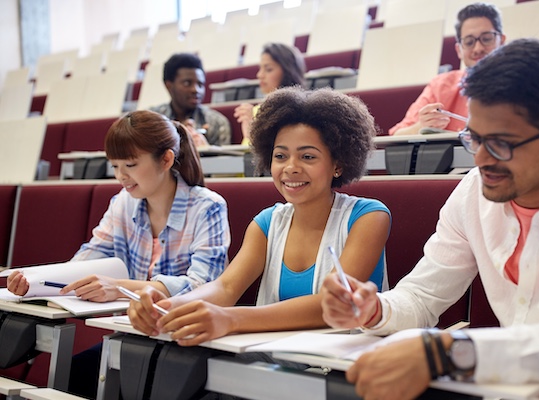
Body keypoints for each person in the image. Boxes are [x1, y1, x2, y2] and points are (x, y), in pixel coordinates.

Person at [321, 38, 539, 399]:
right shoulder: (473, 190)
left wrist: (446, 353)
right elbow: (424, 295)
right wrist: (375, 308)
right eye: (474, 138)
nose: (481, 159)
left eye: (501, 143)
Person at [127, 87, 390, 347]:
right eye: (280, 156)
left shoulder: (369, 217)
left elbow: (329, 304)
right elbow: (226, 288)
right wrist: (164, 305)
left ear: (338, 164)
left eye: (308, 156)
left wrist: (231, 319)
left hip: (346, 366)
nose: (290, 168)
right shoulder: (266, 222)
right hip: (273, 363)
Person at [7, 109, 231, 397]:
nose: (120, 176)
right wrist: (37, 280)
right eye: (114, 166)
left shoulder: (208, 206)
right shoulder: (123, 203)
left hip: (187, 343)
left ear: (166, 159)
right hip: (133, 336)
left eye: (130, 164)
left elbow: (203, 285)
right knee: (70, 379)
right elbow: (92, 254)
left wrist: (120, 289)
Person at [388, 3, 506, 136]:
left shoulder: (522, 83)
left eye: (486, 39)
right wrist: (421, 126)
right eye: (469, 42)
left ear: (501, 42)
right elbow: (397, 135)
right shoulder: (441, 86)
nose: (478, 48)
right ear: (459, 50)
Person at [151, 53, 232, 146]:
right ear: (169, 85)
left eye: (200, 84)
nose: (195, 90)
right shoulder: (153, 121)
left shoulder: (217, 122)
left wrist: (205, 149)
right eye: (187, 83)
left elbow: (224, 160)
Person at [234, 43, 306, 145]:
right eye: (260, 68)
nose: (259, 75)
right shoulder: (255, 111)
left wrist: (254, 132)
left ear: (287, 72)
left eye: (268, 69)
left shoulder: (302, 110)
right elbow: (247, 156)